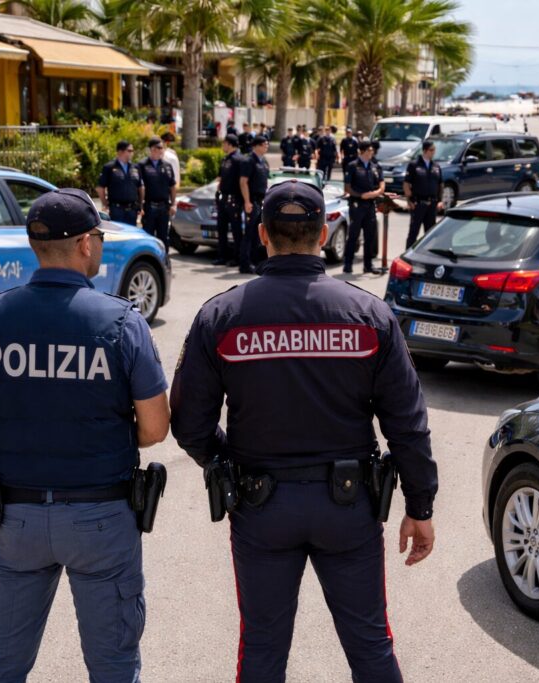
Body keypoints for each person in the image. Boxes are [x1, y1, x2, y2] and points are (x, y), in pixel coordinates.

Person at [169, 179, 437, 683]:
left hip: (260, 504)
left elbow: (188, 424)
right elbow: (408, 424)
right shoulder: (369, 315)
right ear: (323, 233)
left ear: (262, 234)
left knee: (262, 651)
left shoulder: (221, 316)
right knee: (371, 646)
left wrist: (227, 463)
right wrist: (420, 506)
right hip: (348, 506)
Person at [0, 188, 170, 683]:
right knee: (114, 666)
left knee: (3, 665)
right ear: (84, 246)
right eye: (97, 236)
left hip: (16, 518)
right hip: (101, 518)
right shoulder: (121, 321)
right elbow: (156, 427)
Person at [343, 140, 384, 274]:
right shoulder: (352, 166)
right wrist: (361, 196)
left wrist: (377, 193)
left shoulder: (374, 166)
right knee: (353, 235)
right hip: (357, 204)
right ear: (362, 151)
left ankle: (368, 265)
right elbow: (347, 188)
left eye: (372, 151)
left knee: (370, 236)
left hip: (370, 205)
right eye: (369, 151)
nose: (372, 153)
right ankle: (348, 264)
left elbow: (381, 183)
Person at [137, 137, 177, 251]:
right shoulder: (142, 165)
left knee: (163, 237)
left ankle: (164, 262)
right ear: (152, 149)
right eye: (159, 147)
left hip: (164, 208)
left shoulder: (167, 166)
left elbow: (172, 186)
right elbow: (138, 188)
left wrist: (173, 204)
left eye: (162, 148)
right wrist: (140, 207)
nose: (162, 150)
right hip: (149, 207)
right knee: (148, 237)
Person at [403, 140, 443, 249]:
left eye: (434, 150)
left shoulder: (436, 166)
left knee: (430, 234)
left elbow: (440, 184)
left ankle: (427, 257)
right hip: (418, 203)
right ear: (425, 150)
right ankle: (407, 258)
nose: (434, 152)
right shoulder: (414, 165)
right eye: (431, 150)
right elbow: (406, 184)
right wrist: (409, 201)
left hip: (432, 204)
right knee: (413, 232)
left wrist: (440, 200)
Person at [239, 135, 270, 274]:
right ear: (256, 146)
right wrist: (247, 201)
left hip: (261, 201)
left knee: (257, 234)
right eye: (264, 144)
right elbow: (243, 182)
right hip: (251, 201)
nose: (266, 146)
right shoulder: (249, 161)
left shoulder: (263, 161)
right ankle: (244, 264)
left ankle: (254, 261)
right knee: (249, 234)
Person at [95, 141, 141, 226]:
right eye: (129, 151)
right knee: (118, 235)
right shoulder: (109, 167)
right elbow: (100, 188)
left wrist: (140, 205)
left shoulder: (135, 167)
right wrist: (105, 204)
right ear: (120, 152)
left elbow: (140, 187)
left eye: (132, 151)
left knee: (131, 236)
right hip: (116, 209)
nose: (132, 153)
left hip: (132, 210)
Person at [214, 134, 244, 266]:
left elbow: (243, 181)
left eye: (224, 143)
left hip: (235, 199)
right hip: (223, 198)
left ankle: (237, 257)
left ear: (230, 144)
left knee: (236, 230)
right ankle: (222, 256)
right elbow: (220, 178)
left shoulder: (239, 160)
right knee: (222, 228)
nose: (222, 146)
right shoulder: (225, 159)